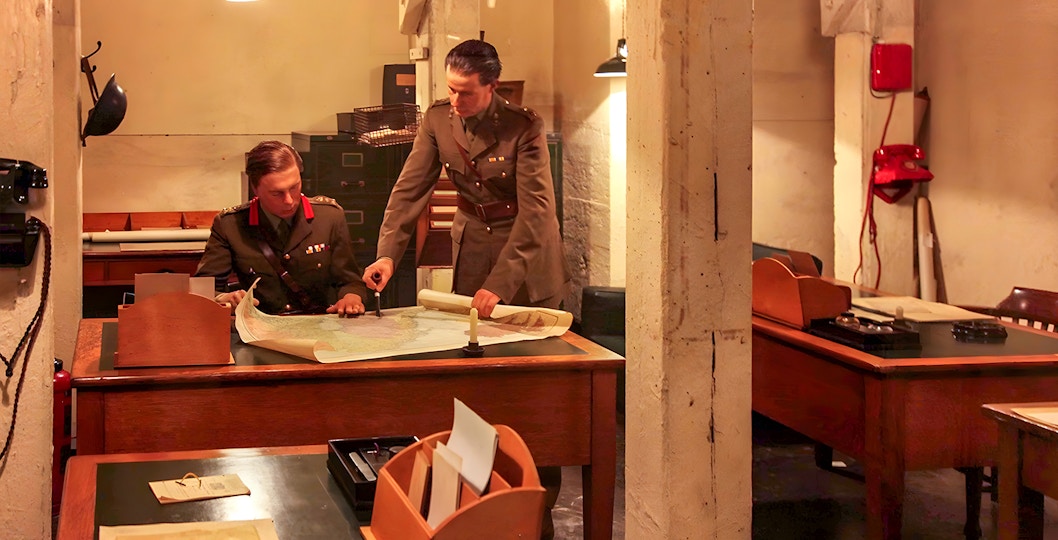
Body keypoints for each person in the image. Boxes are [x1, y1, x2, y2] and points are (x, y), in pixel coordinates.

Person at [362, 39, 569, 539]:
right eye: (450, 91)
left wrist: (500, 284)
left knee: (536, 398)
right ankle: (475, 506)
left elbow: (538, 212)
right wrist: (388, 252)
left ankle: (537, 512)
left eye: (467, 94)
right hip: (474, 244)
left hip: (527, 258)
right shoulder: (437, 120)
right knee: (475, 384)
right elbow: (410, 188)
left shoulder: (524, 127)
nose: (457, 102)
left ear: (492, 87)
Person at [195, 140, 368, 316]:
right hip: (259, 329)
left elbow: (350, 281)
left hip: (318, 327)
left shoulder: (329, 217)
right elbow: (202, 292)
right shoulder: (230, 225)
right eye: (276, 193)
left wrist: (351, 298)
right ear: (255, 189)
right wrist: (223, 299)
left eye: (294, 187)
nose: (289, 200)